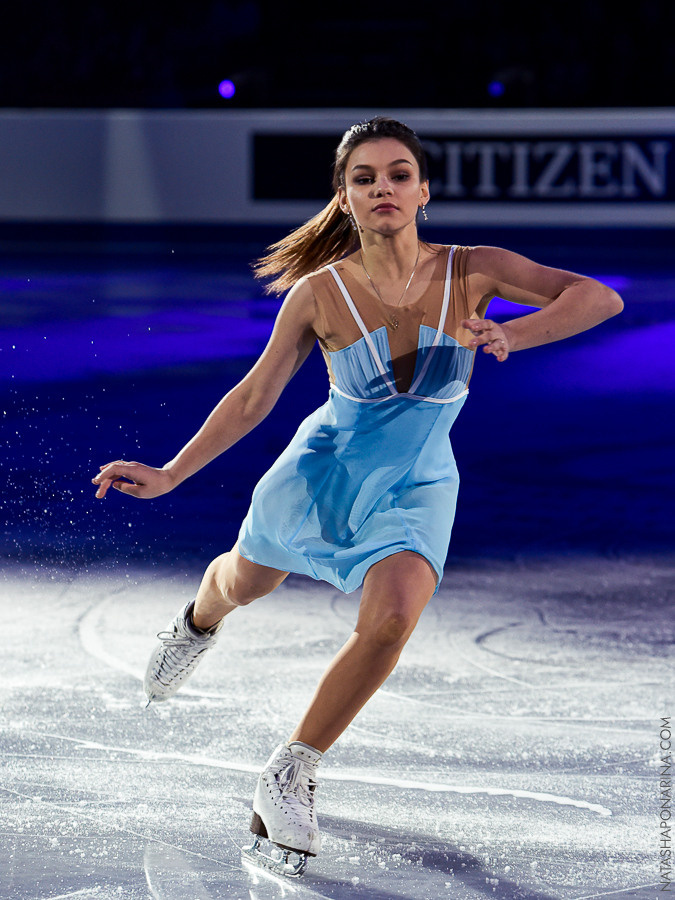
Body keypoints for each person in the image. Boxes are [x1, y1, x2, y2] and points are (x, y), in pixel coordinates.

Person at [91, 116, 623, 870]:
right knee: (246, 580)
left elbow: (596, 298)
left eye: (398, 174)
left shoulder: (475, 269)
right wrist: (173, 472)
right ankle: (196, 623)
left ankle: (292, 767)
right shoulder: (318, 293)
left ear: (423, 191)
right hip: (326, 469)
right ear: (343, 198)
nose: (383, 188)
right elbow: (253, 397)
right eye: (364, 178)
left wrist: (516, 334)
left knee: (393, 616)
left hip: (418, 480)